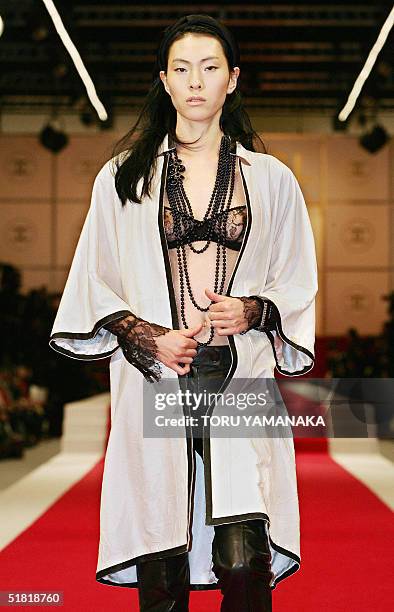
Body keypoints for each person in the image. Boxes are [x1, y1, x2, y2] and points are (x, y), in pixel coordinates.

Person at [49, 13, 317, 612]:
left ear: (233, 79)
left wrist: (253, 309)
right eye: (181, 69)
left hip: (240, 375)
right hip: (155, 379)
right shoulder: (120, 179)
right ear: (164, 82)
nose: (195, 81)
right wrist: (146, 335)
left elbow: (297, 279)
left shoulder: (273, 181)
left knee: (244, 558)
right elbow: (92, 280)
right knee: (160, 552)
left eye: (210, 67)